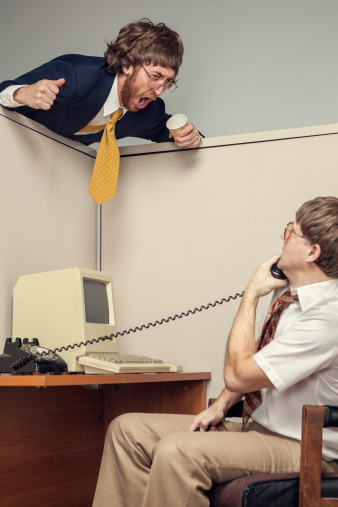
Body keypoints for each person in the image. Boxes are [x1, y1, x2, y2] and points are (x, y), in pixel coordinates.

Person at [92, 196, 338, 507]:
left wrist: (250, 293)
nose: (283, 236)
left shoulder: (325, 321)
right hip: (258, 428)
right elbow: (262, 367)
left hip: (304, 447)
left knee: (178, 452)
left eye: (292, 230)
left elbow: (238, 374)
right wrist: (221, 405)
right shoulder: (291, 296)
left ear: (312, 251)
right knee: (127, 431)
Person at [0, 19, 200, 149]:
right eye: (155, 76)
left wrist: (192, 137)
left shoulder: (150, 112)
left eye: (168, 82)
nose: (159, 90)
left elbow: (169, 133)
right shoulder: (74, 76)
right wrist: (21, 94)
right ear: (128, 64)